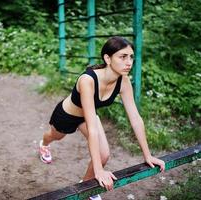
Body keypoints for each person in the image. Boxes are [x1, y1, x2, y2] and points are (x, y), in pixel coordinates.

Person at [38, 36, 165, 199]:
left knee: (103, 154)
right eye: (123, 57)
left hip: (88, 116)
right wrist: (99, 169)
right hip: (67, 115)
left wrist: (147, 155)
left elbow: (135, 119)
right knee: (55, 136)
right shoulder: (88, 80)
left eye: (131, 57)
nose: (129, 62)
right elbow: (92, 129)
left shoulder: (123, 81)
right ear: (107, 58)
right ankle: (44, 144)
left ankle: (86, 187)